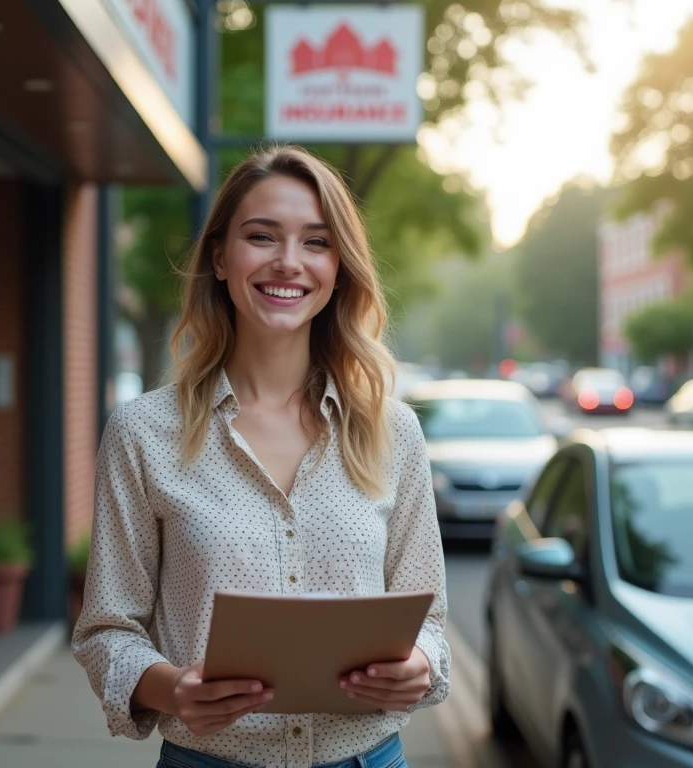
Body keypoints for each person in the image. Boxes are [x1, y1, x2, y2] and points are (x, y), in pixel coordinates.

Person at [72, 145, 450, 768]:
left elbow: (430, 621)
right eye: (262, 236)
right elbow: (106, 630)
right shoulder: (143, 433)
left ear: (339, 267)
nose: (288, 262)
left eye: (317, 242)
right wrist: (173, 690)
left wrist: (418, 665)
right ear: (220, 257)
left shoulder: (393, 431)